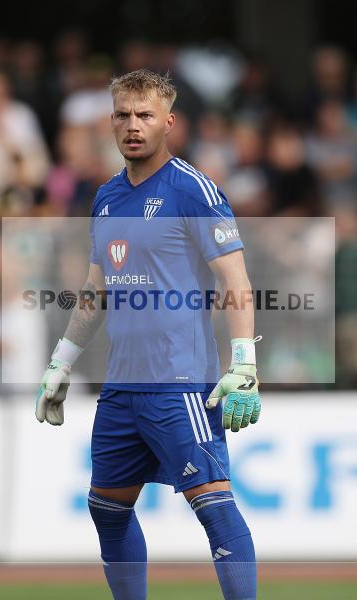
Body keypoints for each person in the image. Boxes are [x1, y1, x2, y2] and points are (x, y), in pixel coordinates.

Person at [33, 70, 259, 600]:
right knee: (106, 509)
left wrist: (244, 364)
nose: (133, 126)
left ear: (169, 122)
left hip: (180, 382)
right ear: (111, 122)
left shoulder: (193, 190)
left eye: (145, 115)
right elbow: (96, 291)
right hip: (122, 386)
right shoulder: (107, 197)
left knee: (213, 506)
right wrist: (61, 360)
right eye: (123, 115)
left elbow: (237, 281)